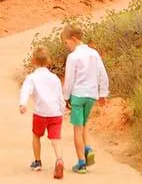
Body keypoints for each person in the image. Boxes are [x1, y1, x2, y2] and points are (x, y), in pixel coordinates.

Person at [61, 25, 110, 174]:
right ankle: (88, 148)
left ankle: (81, 163)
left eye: (66, 42)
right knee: (84, 123)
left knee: (77, 129)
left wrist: (65, 97)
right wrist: (103, 94)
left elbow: (69, 79)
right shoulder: (94, 53)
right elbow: (102, 73)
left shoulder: (73, 56)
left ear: (74, 39)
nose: (66, 46)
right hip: (91, 96)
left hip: (77, 95)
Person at [19, 46, 66, 179]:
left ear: (33, 61)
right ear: (48, 61)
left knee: (36, 135)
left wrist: (23, 104)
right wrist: (61, 110)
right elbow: (59, 96)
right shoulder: (55, 78)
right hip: (55, 113)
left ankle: (37, 162)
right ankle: (59, 160)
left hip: (40, 113)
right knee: (56, 140)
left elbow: (25, 91)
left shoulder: (32, 77)